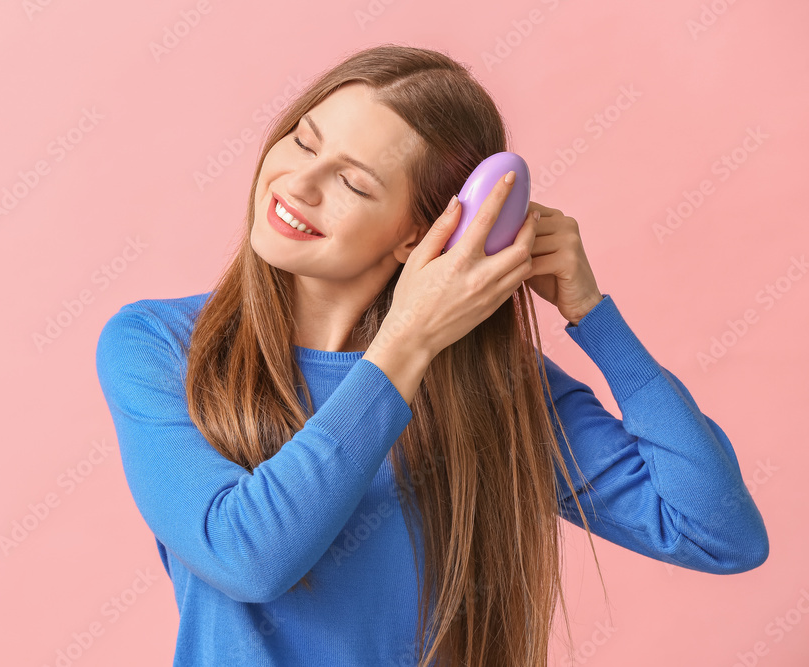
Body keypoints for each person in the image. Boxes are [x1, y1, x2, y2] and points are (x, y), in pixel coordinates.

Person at [95, 44, 769, 667]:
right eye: (303, 140)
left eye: (353, 183)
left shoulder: (490, 384)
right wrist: (405, 344)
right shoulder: (159, 345)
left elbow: (717, 531)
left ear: (419, 234)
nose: (298, 184)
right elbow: (246, 555)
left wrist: (594, 317)